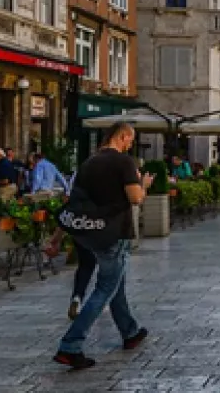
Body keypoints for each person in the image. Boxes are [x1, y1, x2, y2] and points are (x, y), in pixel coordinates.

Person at [53, 121, 151, 371]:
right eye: (130, 140)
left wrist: (56, 237)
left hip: (92, 232)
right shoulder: (124, 162)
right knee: (105, 288)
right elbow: (135, 198)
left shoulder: (89, 163)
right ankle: (70, 345)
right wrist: (144, 184)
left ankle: (130, 332)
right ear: (123, 136)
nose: (130, 145)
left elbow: (72, 203)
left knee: (115, 285)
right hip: (114, 232)